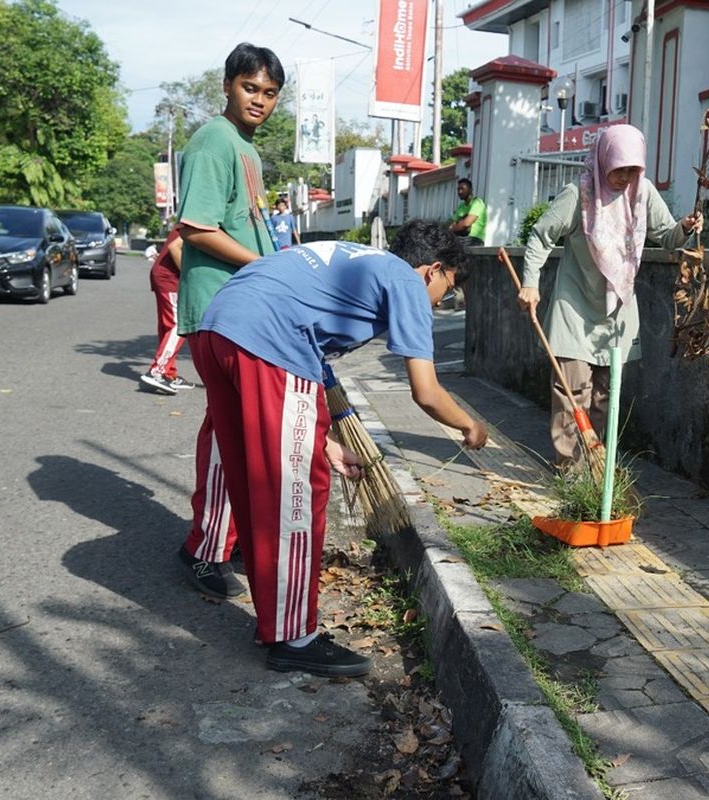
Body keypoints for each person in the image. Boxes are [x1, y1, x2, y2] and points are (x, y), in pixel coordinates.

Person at [189, 219, 488, 675]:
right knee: (297, 489)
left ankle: (242, 562)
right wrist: (471, 424)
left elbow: (312, 354)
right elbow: (426, 393)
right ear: (431, 270)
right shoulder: (405, 280)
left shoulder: (356, 257)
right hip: (268, 340)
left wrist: (324, 439)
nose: (443, 299)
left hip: (218, 330)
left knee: (249, 468)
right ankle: (294, 637)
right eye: (448, 288)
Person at [517, 124, 702, 468]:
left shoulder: (643, 192)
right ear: (603, 160)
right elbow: (541, 236)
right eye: (620, 168)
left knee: (604, 397)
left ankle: (594, 468)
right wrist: (530, 282)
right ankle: (569, 470)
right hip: (575, 307)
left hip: (617, 313)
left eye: (634, 169)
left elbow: (666, 236)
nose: (626, 177)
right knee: (572, 394)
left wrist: (686, 228)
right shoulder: (578, 194)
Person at [173, 42, 284, 598]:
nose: (259, 100)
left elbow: (243, 225)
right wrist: (267, 265)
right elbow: (196, 228)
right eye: (250, 88)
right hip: (219, 308)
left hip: (244, 308)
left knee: (237, 430)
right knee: (228, 431)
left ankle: (228, 532)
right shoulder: (214, 142)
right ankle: (203, 547)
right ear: (227, 85)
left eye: (268, 93)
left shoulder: (246, 147)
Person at [141, 227, 196, 395]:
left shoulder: (190, 216)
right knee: (178, 325)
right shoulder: (200, 219)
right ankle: (158, 371)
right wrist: (189, 277)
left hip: (163, 275)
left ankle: (168, 373)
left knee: (168, 326)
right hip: (169, 278)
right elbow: (174, 247)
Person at [449, 178, 486, 246]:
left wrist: (454, 227)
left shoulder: (477, 203)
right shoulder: (461, 206)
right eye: (458, 189)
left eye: (462, 189)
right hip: (462, 238)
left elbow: (466, 224)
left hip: (474, 240)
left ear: (470, 189)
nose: (460, 191)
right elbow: (451, 224)